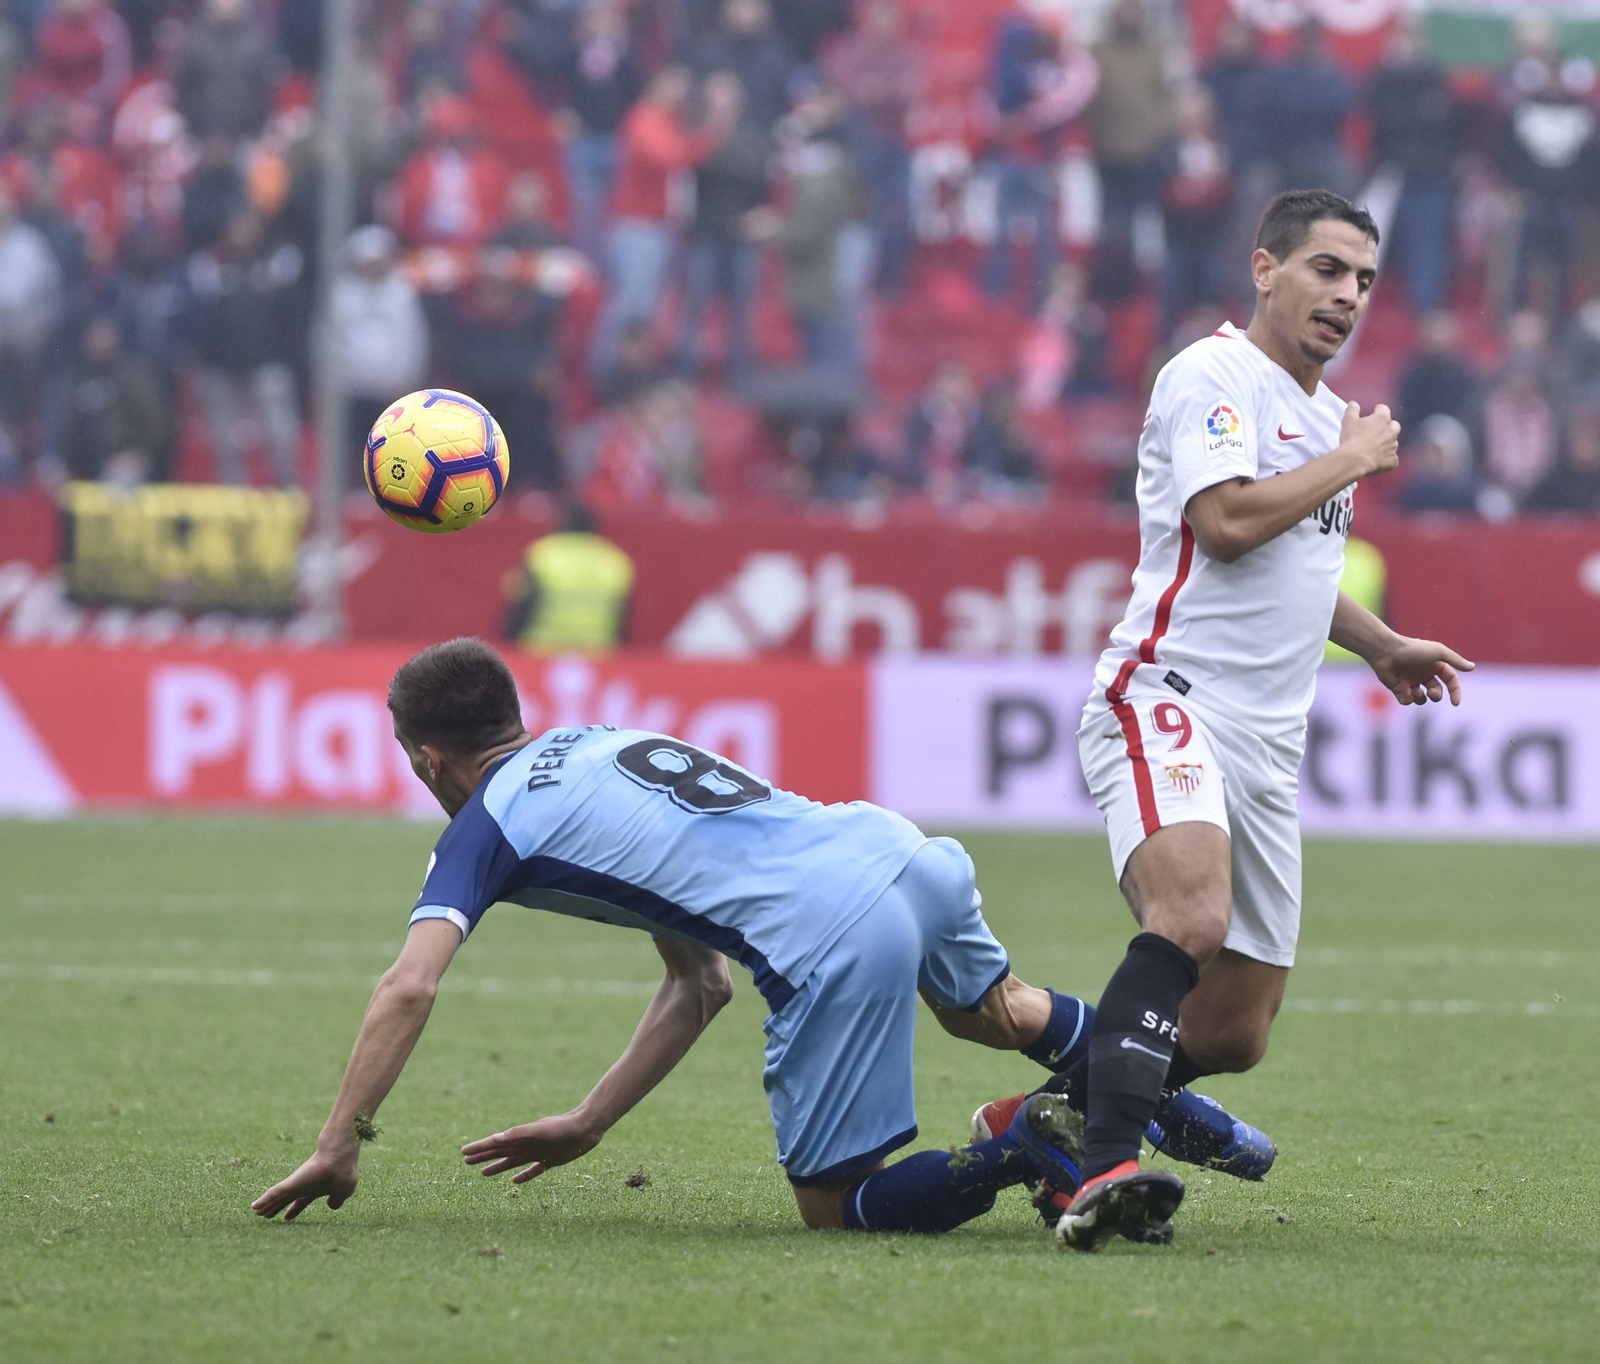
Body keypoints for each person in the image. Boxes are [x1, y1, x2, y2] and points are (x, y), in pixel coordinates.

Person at [252, 638, 1274, 1236]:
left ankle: (1022, 1144)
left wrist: (338, 1141)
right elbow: (698, 983)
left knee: (836, 1202)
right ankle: (1202, 1122)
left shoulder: (483, 828)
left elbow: (408, 986)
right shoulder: (597, 739)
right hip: (895, 849)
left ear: (428, 756)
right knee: (994, 1011)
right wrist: (590, 1118)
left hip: (826, 927)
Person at [972, 189, 1474, 1252]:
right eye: (1326, 269)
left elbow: (1293, 561)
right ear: (1263, 267)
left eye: (1364, 280)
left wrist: (1379, 641)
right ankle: (1101, 1165)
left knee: (1234, 1026)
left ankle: (1038, 1119)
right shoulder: (1213, 375)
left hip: (1265, 741)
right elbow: (1226, 521)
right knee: (1189, 916)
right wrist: (1352, 458)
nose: (1347, 295)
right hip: (1166, 694)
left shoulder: (1322, 412)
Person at [504, 503, 635, 652]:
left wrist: (509, 646)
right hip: (598, 654)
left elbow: (519, 608)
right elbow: (623, 620)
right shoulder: (617, 562)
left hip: (541, 652)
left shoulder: (540, 555)